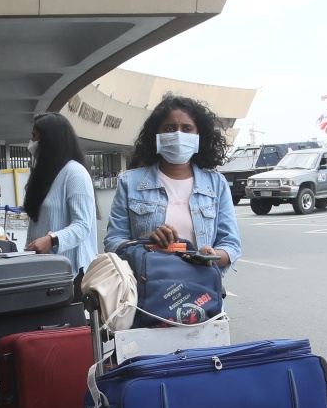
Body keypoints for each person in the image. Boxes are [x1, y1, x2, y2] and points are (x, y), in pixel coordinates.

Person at [103, 94, 242, 267]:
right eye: (169, 128)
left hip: (201, 286)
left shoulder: (216, 184)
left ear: (199, 135)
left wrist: (210, 257)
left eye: (187, 128)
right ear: (156, 135)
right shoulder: (129, 182)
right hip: (148, 288)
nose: (178, 135)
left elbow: (231, 245)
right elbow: (113, 242)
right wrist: (144, 243)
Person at [21, 112, 97, 273]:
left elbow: (83, 225)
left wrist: (52, 240)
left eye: (35, 136)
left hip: (71, 273)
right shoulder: (46, 175)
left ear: (49, 139)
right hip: (45, 270)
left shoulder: (75, 173)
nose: (31, 142)